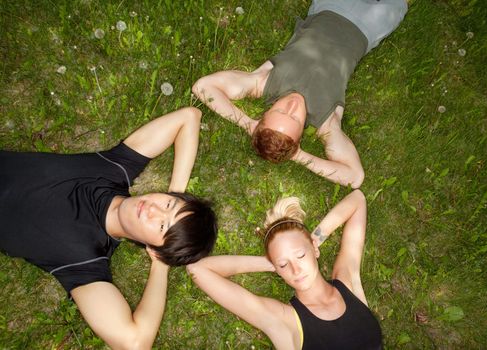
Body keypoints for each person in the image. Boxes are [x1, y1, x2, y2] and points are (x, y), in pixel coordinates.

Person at [0, 107, 218, 349]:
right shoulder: (114, 169)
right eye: (167, 203)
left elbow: (136, 342)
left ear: (155, 247)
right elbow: (189, 117)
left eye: (162, 225)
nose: (153, 210)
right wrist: (176, 194)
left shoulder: (85, 263)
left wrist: (161, 264)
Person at [193, 0, 408, 189]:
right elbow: (354, 177)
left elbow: (203, 87)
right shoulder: (326, 121)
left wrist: (246, 122)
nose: (292, 106)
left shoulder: (264, 82)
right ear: (300, 136)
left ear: (266, 111)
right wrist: (299, 156)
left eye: (279, 110)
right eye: (295, 118)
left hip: (330, 6)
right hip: (368, 27)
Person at [187, 190, 381, 349]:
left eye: (301, 255)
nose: (295, 269)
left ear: (314, 249)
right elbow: (198, 270)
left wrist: (314, 239)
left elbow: (358, 199)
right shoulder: (284, 321)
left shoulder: (346, 283)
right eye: (283, 265)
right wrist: (270, 263)